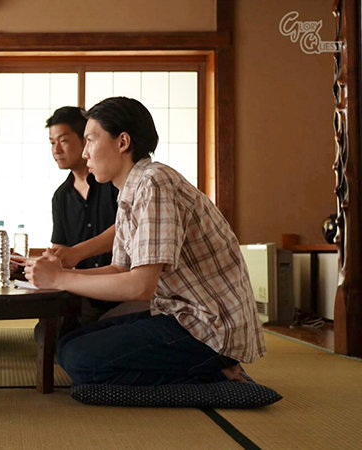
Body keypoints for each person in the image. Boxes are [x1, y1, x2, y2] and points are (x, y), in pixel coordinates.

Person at [25, 96, 265, 386]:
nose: (85, 153)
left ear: (122, 142)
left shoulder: (154, 181)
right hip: (177, 314)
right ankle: (207, 369)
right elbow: (119, 269)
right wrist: (60, 274)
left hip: (208, 327)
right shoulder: (130, 190)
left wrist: (60, 278)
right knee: (68, 343)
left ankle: (214, 375)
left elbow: (140, 286)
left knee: (77, 358)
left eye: (90, 140)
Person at [46, 106, 118, 271]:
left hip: (119, 280)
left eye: (63, 141)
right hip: (80, 284)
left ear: (85, 140)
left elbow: (127, 228)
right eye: (52, 143)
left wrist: (77, 252)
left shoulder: (113, 181)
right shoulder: (61, 196)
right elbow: (60, 249)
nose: (56, 150)